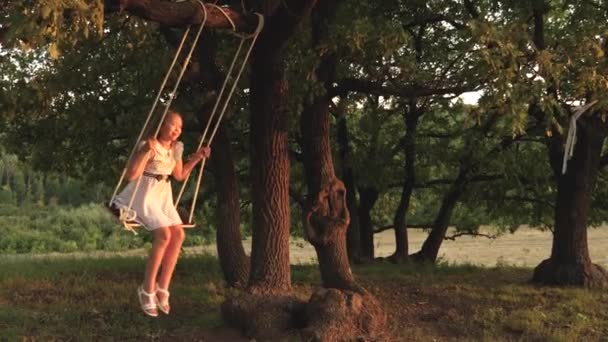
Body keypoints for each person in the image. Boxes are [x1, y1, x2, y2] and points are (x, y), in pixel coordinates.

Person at [111, 110, 211, 317]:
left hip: (163, 195)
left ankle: (163, 288)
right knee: (164, 235)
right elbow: (131, 175)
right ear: (162, 125)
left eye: (180, 127)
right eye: (173, 125)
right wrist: (144, 152)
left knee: (179, 234)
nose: (177, 130)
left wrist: (197, 158)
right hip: (143, 193)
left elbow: (180, 176)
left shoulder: (176, 148)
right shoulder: (149, 144)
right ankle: (147, 289)